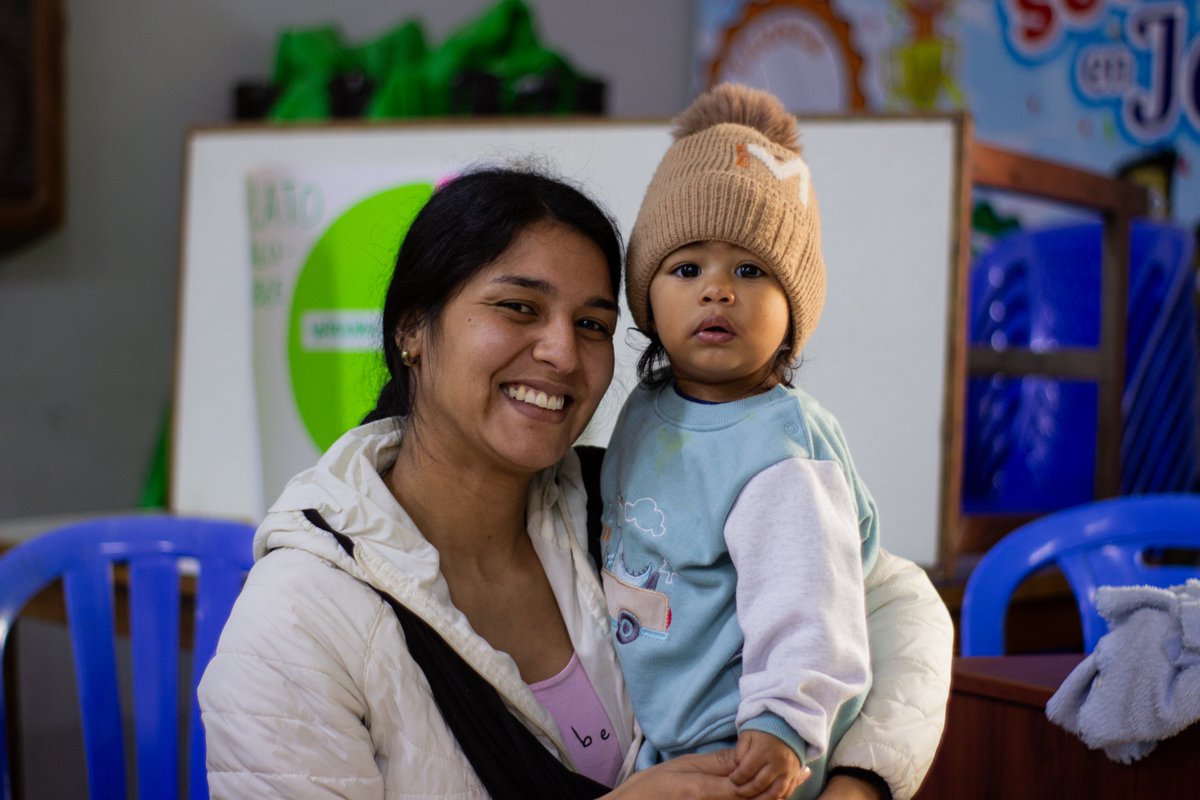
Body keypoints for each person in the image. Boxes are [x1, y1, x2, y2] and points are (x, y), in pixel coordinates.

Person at [198, 165, 953, 799]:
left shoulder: (621, 503)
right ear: (412, 328)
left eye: (592, 324)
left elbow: (900, 606)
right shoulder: (297, 622)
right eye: (518, 307)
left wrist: (857, 782)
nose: (561, 352)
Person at [599, 83, 881, 800]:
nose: (716, 291)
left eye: (750, 271)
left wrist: (785, 721)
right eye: (687, 269)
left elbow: (811, 604)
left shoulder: (780, 451)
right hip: (660, 735)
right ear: (646, 295)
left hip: (749, 752)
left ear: (793, 313)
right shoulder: (645, 408)